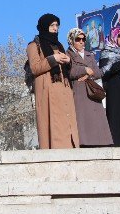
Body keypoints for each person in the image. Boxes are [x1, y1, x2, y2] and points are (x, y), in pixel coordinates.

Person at [26, 14, 79, 149]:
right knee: (53, 125)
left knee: (68, 125)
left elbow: (68, 70)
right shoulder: (33, 46)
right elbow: (35, 67)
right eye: (52, 25)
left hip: (64, 89)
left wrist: (69, 61)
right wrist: (53, 59)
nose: (55, 28)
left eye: (57, 26)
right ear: (44, 26)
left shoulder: (59, 46)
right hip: (47, 91)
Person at [66, 28, 113, 147]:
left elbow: (98, 72)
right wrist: (84, 69)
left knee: (96, 118)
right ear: (71, 41)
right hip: (79, 92)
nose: (82, 42)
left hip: (92, 90)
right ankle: (85, 143)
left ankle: (101, 142)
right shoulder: (67, 55)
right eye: (78, 39)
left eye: (83, 39)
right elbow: (68, 72)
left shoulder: (89, 55)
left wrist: (88, 73)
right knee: (83, 119)